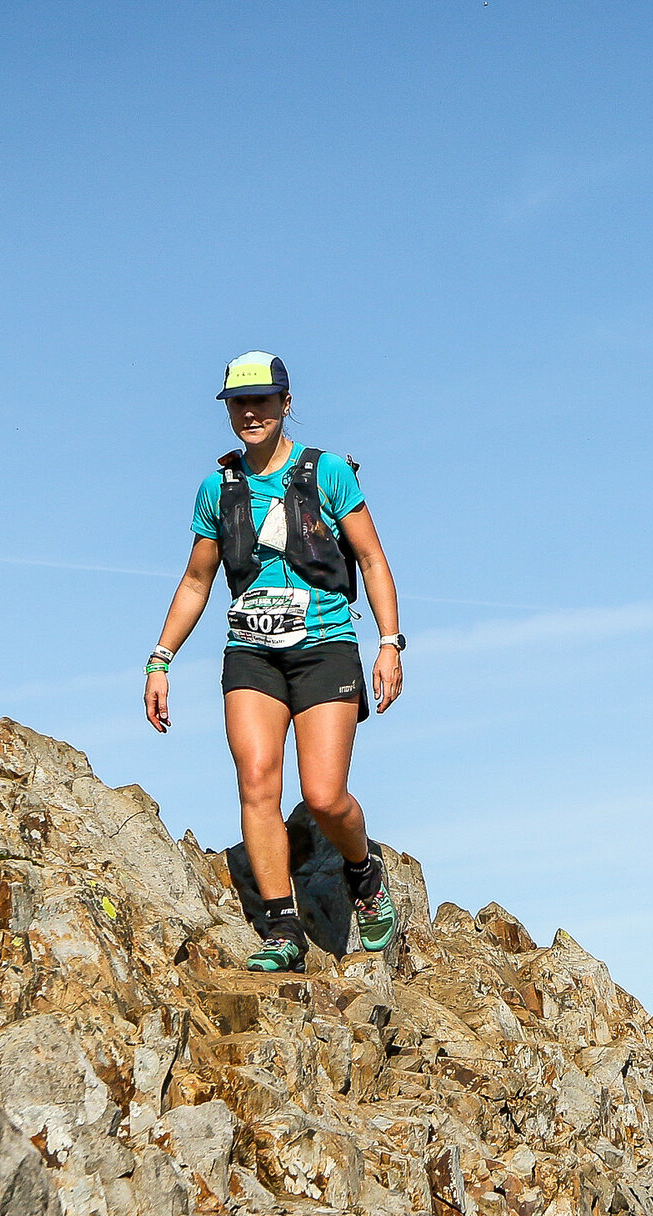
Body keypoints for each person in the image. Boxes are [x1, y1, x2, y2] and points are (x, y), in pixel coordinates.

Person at [143, 352, 405, 971]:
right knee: (257, 781)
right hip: (252, 652)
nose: (251, 411)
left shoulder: (329, 472)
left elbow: (371, 559)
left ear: (287, 403)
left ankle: (363, 876)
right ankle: (282, 930)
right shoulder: (219, 489)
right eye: (239, 402)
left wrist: (389, 643)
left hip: (325, 647)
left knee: (323, 796)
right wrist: (161, 659)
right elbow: (196, 580)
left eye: (263, 400)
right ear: (228, 411)